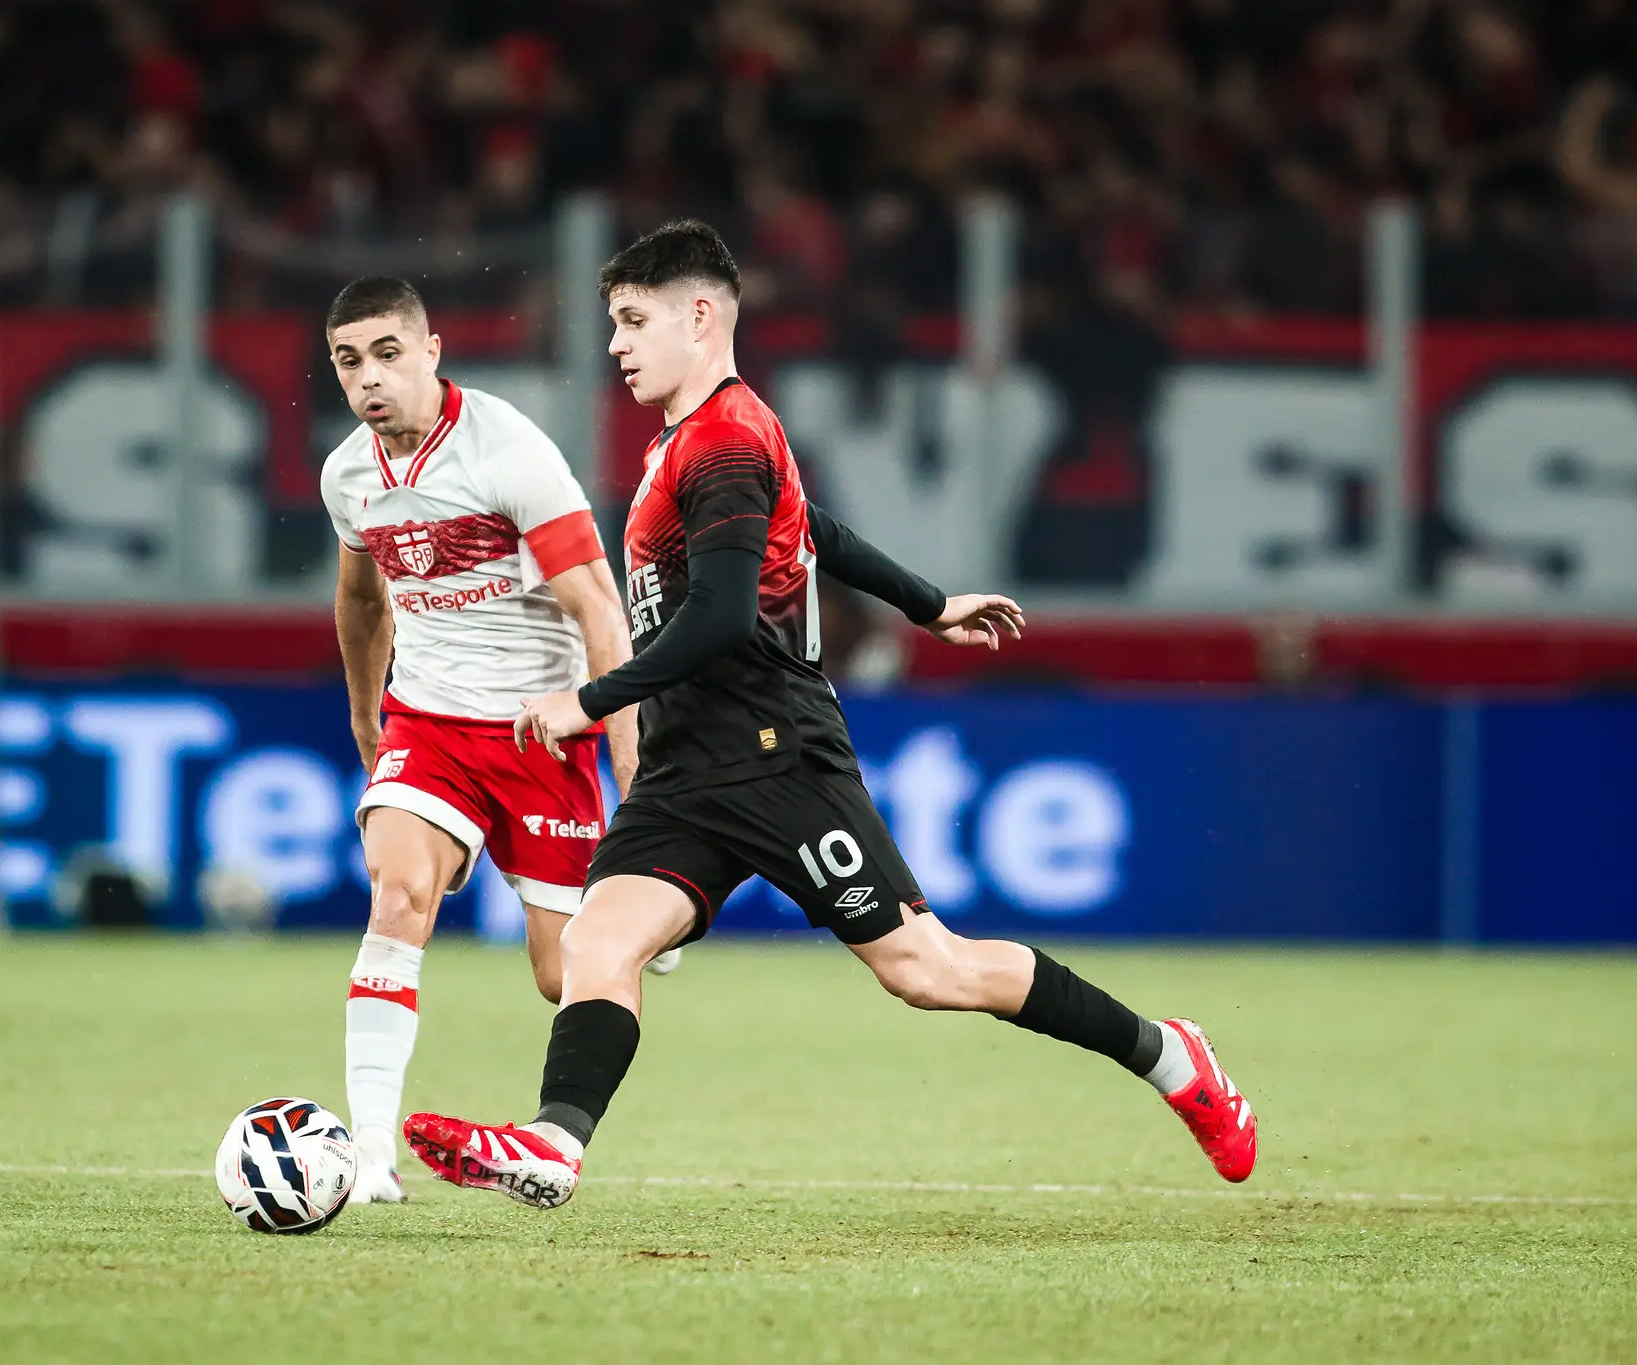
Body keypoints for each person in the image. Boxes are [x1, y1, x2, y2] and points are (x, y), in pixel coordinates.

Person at [400, 223, 1257, 1208]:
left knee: (928, 970)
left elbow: (723, 618)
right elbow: (812, 527)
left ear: (700, 317)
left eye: (632, 321)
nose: (615, 344)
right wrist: (928, 602)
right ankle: (554, 1145)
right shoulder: (699, 438)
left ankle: (1171, 1056)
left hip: (774, 754)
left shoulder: (724, 440)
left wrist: (588, 700)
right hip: (686, 767)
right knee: (596, 944)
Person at [318, 276, 675, 1205]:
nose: (369, 378)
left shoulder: (507, 451)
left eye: (387, 353)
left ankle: (653, 916)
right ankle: (368, 1155)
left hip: (541, 731)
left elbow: (598, 608)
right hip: (429, 723)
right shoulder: (348, 476)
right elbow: (361, 599)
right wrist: (366, 714)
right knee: (398, 896)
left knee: (568, 973)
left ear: (431, 351)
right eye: (349, 361)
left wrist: (630, 762)